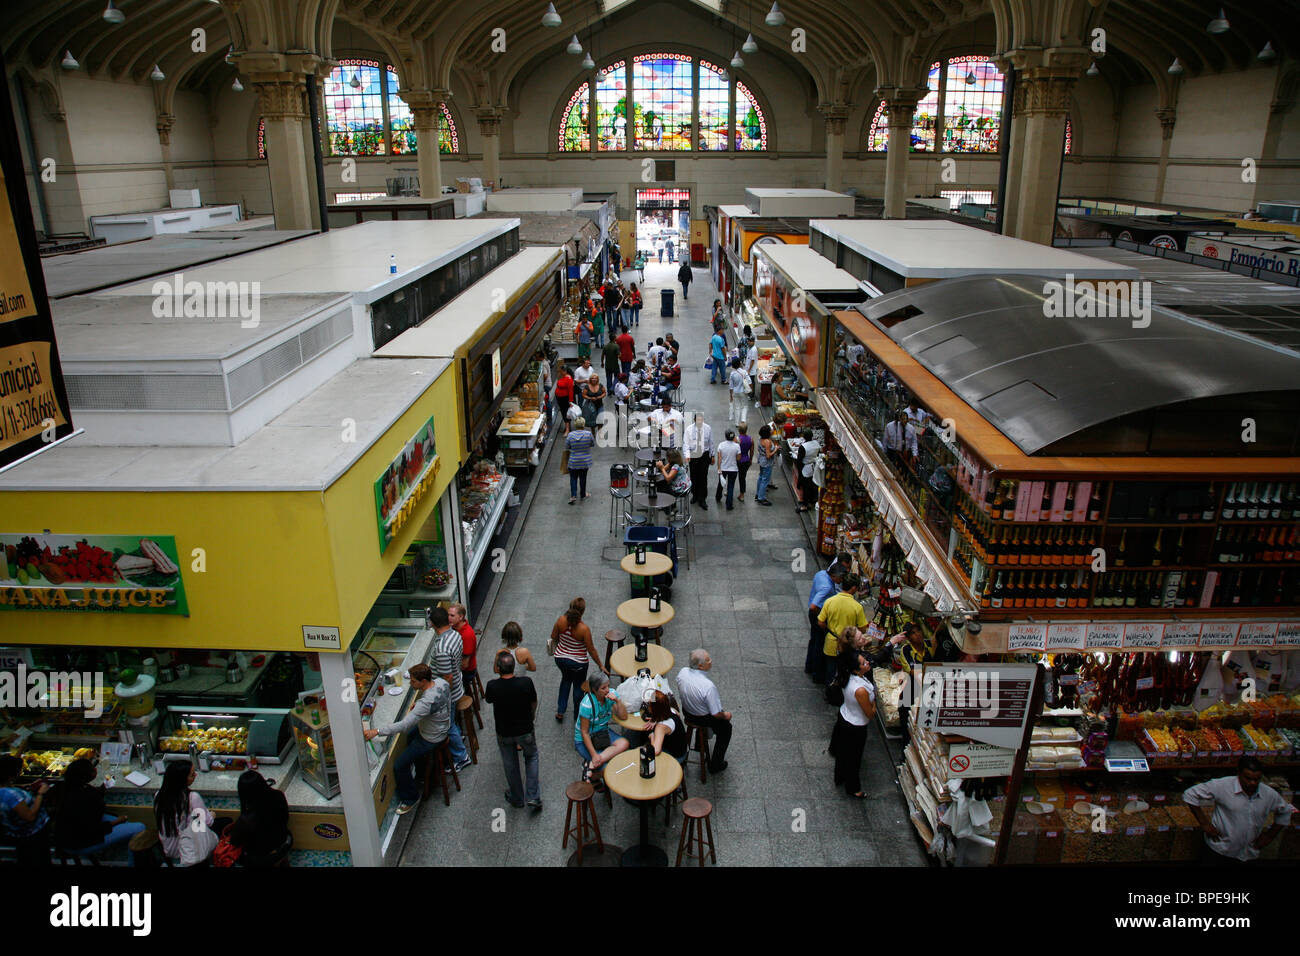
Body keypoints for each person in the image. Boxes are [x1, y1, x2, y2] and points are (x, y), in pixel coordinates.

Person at [364, 663, 451, 815]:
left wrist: (376, 731)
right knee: (411, 737)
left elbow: (403, 725)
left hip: (432, 737)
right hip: (442, 727)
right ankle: (422, 771)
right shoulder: (441, 682)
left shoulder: (425, 704)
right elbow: (435, 702)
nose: (411, 684)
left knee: (399, 765)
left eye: (413, 681)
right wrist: (419, 705)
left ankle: (410, 798)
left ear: (423, 681)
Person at [1182, 756, 1293, 864]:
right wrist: (1205, 823)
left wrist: (1270, 836)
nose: (1252, 783)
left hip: (1248, 853)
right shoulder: (1223, 786)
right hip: (1219, 850)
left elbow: (1285, 811)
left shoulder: (1269, 794)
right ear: (1239, 773)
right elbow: (1190, 794)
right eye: (1248, 778)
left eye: (1256, 779)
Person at [54, 757, 145, 863]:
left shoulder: (68, 788)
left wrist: (104, 787)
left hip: (66, 837)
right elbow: (93, 829)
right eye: (93, 769)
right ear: (86, 776)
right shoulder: (85, 798)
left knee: (125, 824)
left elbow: (91, 801)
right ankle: (133, 863)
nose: (96, 769)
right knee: (139, 827)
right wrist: (118, 821)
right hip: (80, 843)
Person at [485, 650, 542, 811]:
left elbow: (488, 699)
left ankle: (517, 797)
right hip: (525, 729)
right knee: (531, 758)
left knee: (510, 764)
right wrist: (531, 718)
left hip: (504, 731)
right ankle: (533, 796)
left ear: (498, 668)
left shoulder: (492, 686)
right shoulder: (526, 682)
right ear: (513, 667)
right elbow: (533, 702)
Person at [154, 760, 231, 864]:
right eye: (192, 774)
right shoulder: (192, 797)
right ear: (182, 780)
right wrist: (211, 815)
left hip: (168, 847)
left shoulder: (158, 795)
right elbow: (208, 822)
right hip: (187, 849)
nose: (195, 775)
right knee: (226, 822)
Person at [872, 622, 934, 746]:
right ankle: (904, 753)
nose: (918, 635)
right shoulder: (907, 650)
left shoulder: (929, 645)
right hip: (911, 692)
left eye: (918, 631)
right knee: (908, 727)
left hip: (929, 687)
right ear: (908, 638)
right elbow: (916, 674)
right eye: (913, 633)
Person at [429, 606, 472, 771]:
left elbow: (447, 678)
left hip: (449, 694)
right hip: (457, 687)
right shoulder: (454, 634)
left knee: (448, 725)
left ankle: (462, 757)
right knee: (452, 721)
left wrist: (440, 697)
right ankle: (459, 738)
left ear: (433, 624)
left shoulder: (442, 649)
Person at [828, 651, 876, 798]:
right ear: (856, 669)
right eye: (863, 663)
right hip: (856, 726)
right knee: (854, 758)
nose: (867, 663)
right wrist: (875, 703)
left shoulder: (848, 677)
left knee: (843, 753)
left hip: (845, 716)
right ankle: (853, 788)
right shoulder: (860, 690)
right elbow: (870, 713)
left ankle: (840, 777)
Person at [676, 650, 731, 773]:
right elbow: (716, 714)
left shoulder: (682, 672)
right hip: (702, 717)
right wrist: (726, 715)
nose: (711, 660)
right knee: (726, 729)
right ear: (700, 666)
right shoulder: (708, 686)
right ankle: (716, 765)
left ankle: (699, 743)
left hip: (687, 711)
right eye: (708, 660)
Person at [551, 597, 604, 721]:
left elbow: (553, 636)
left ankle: (560, 711)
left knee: (565, 680)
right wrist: (600, 665)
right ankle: (578, 716)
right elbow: (591, 650)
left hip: (560, 658)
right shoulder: (584, 629)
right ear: (583, 611)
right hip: (578, 664)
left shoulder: (561, 620)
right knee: (578, 687)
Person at [575, 673, 630, 787]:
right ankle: (594, 772)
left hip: (602, 732)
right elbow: (584, 732)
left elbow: (624, 716)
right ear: (595, 690)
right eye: (603, 688)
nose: (607, 690)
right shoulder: (587, 705)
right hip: (586, 738)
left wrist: (618, 702)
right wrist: (594, 754)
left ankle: (590, 766)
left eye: (608, 686)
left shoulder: (611, 695)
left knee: (624, 743)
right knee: (607, 768)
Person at [226, 770, 290, 865]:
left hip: (262, 857)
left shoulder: (246, 820)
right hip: (284, 842)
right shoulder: (279, 795)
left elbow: (235, 842)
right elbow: (286, 818)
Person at [0, 753, 51, 866]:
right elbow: (30, 816)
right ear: (10, 776)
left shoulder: (6, 789)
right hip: (31, 836)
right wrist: (40, 794)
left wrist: (26, 787)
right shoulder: (10, 795)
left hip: (16, 832)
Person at [818, 573, 868, 686]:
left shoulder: (830, 601)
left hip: (831, 642)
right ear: (854, 588)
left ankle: (830, 690)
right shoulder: (857, 607)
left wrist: (830, 630)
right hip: (848, 647)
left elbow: (820, 622)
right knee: (845, 670)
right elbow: (863, 629)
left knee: (830, 670)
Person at [807, 564, 844, 679]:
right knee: (819, 644)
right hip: (817, 615)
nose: (841, 580)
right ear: (833, 576)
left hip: (813, 615)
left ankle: (809, 666)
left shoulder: (821, 574)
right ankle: (817, 673)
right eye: (840, 578)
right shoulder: (827, 587)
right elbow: (813, 606)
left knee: (813, 640)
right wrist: (821, 616)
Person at [643, 691, 690, 766]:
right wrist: (655, 719)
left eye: (649, 704)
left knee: (644, 750)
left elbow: (656, 751)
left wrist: (651, 735)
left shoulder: (661, 727)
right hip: (683, 748)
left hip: (675, 755)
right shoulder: (672, 710)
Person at [448, 602, 478, 701]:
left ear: (461, 617)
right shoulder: (455, 628)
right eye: (448, 615)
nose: (449, 618)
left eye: (452, 615)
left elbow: (465, 664)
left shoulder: (467, 635)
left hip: (467, 671)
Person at [684, 412, 713, 510]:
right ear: (694, 420)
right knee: (694, 476)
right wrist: (687, 455)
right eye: (698, 421)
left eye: (701, 420)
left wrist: (712, 455)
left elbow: (711, 442)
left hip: (704, 455)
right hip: (694, 455)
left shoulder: (708, 428)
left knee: (703, 477)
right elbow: (686, 444)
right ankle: (695, 495)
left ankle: (702, 498)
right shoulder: (689, 430)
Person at [565, 415, 595, 504]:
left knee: (573, 478)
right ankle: (583, 494)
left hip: (573, 461)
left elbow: (567, 446)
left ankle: (573, 495)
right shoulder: (588, 434)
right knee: (583, 477)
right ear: (583, 424)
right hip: (585, 462)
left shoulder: (570, 435)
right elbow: (592, 444)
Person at [795, 427, 821, 513]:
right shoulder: (816, 444)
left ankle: (805, 505)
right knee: (813, 485)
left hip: (805, 468)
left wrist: (799, 472)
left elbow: (799, 460)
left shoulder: (803, 447)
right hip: (814, 466)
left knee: (806, 486)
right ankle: (812, 500)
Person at [715, 428, 741, 511]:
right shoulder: (737, 446)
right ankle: (729, 504)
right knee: (731, 486)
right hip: (733, 469)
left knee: (721, 484)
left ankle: (718, 497)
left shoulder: (721, 445)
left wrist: (719, 468)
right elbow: (738, 458)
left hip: (723, 468)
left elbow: (719, 458)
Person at [754, 423, 777, 506]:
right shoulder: (767, 442)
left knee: (761, 477)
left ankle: (758, 494)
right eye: (770, 430)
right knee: (765, 480)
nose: (771, 430)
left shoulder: (760, 439)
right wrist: (776, 449)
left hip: (761, 460)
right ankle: (761, 497)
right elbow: (768, 455)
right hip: (767, 463)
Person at [735, 421, 753, 503]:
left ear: (739, 430)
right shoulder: (751, 439)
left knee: (732, 476)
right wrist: (751, 459)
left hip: (737, 460)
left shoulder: (737, 439)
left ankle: (729, 490)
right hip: (746, 460)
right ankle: (742, 494)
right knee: (742, 477)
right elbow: (752, 451)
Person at [727, 357, 749, 424]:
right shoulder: (744, 372)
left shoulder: (732, 374)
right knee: (744, 406)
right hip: (743, 392)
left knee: (737, 407)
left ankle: (737, 423)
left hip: (735, 392)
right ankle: (743, 420)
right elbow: (749, 382)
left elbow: (731, 386)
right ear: (740, 364)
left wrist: (731, 395)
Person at [553, 363, 575, 431]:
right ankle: (567, 427)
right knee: (563, 412)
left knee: (565, 413)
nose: (560, 372)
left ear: (565, 371)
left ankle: (567, 429)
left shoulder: (568, 379)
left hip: (564, 399)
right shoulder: (563, 377)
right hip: (560, 398)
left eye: (561, 371)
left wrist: (570, 401)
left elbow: (571, 391)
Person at [534, 349, 552, 413]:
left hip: (546, 385)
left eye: (537, 357)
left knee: (546, 400)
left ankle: (549, 415)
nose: (536, 359)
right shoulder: (545, 362)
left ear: (540, 357)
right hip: (548, 384)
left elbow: (545, 375)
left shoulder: (543, 364)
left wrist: (541, 384)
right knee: (547, 399)